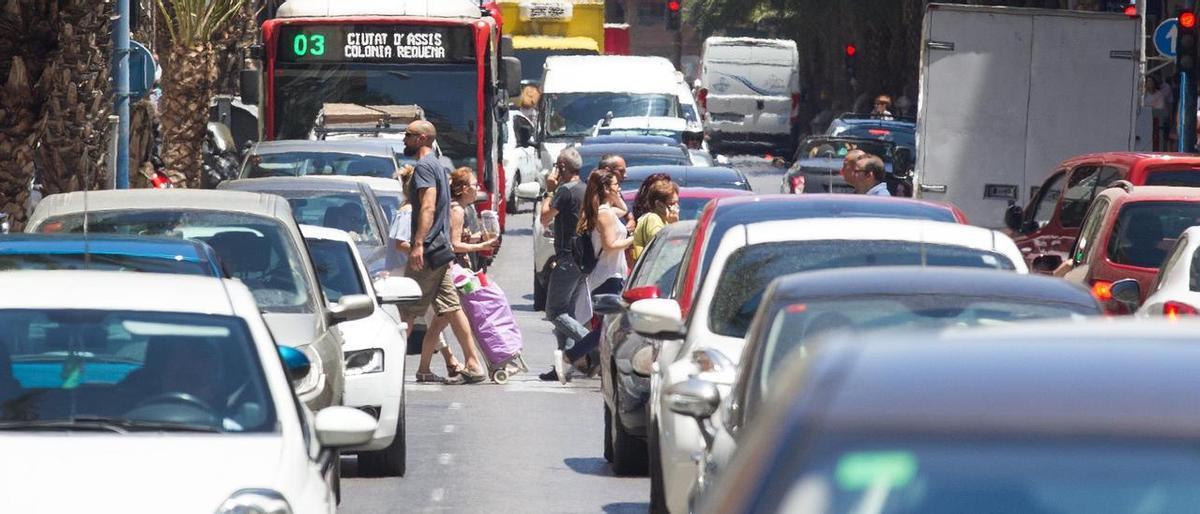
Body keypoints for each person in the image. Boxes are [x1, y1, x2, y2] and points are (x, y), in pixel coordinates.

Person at [401, 120, 486, 384]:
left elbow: (427, 207)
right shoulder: (437, 165)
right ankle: (472, 363)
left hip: (428, 252)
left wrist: (417, 244)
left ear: (423, 138)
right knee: (451, 307)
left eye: (409, 135)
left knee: (406, 311)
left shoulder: (425, 167)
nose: (404, 139)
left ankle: (383, 367)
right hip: (440, 251)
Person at [555, 170, 635, 384]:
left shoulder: (606, 210)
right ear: (606, 189)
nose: (620, 188)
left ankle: (590, 361)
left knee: (610, 325)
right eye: (616, 185)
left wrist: (613, 193)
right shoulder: (603, 214)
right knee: (609, 325)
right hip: (607, 275)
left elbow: (624, 209)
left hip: (612, 273)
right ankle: (572, 356)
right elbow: (610, 246)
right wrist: (632, 239)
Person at [538, 148, 592, 381]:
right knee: (566, 312)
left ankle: (594, 343)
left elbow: (545, 217)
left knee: (555, 312)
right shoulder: (586, 189)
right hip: (582, 259)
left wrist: (549, 190)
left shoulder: (564, 191)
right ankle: (564, 362)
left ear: (561, 167)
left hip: (568, 258)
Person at [449, 167, 499, 266]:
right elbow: (455, 245)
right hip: (455, 268)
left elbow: (460, 238)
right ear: (465, 189)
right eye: (475, 185)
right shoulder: (457, 211)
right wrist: (482, 246)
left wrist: (480, 237)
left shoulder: (462, 208)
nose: (478, 188)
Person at [631, 175, 680, 261]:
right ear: (659, 204)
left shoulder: (663, 220)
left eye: (677, 202)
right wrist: (674, 226)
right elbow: (662, 249)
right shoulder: (653, 219)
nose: (676, 207)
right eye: (672, 203)